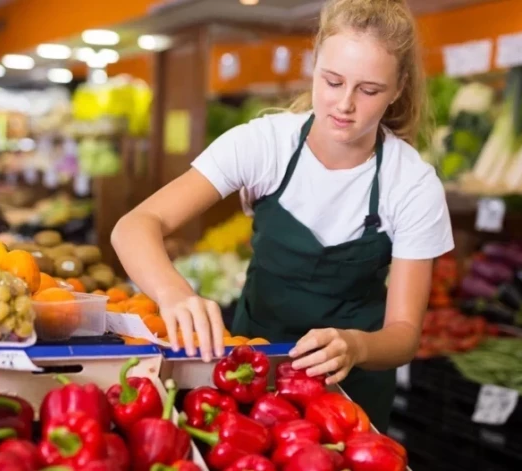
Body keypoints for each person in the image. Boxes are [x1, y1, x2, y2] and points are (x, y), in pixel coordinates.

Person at [112, 0, 454, 432]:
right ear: (315, 64)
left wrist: (355, 346)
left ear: (399, 87)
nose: (344, 104)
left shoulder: (412, 184)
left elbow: (403, 333)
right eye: (332, 81)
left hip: (349, 390)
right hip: (252, 366)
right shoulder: (263, 144)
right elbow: (135, 226)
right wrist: (174, 293)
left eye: (369, 90)